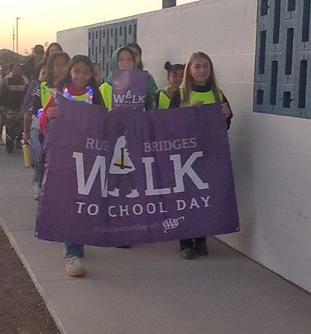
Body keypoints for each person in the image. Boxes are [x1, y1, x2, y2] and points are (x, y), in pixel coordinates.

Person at [39, 55, 106, 277]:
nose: (80, 76)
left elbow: (105, 123)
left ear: (91, 75)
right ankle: (72, 252)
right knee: (70, 202)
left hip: (87, 159)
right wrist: (48, 115)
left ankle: (77, 241)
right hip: (64, 159)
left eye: (85, 72)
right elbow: (43, 124)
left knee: (84, 201)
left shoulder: (95, 96)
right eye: (76, 71)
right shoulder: (59, 96)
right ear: (70, 71)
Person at [168, 51, 233, 259]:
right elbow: (168, 125)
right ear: (190, 70)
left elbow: (225, 127)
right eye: (197, 66)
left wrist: (226, 115)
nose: (202, 70)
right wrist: (188, 112)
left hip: (209, 155)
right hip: (185, 156)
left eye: (206, 66)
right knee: (186, 199)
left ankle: (201, 238)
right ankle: (185, 242)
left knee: (205, 198)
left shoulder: (218, 94)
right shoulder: (180, 95)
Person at [24, 51, 70, 200]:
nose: (61, 68)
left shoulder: (71, 87)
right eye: (57, 65)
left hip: (65, 132)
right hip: (43, 130)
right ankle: (38, 184)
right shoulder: (43, 87)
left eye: (64, 65)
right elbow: (36, 110)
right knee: (41, 160)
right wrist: (47, 115)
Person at [99, 46, 159, 111]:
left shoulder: (143, 82)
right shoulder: (105, 86)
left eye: (129, 59)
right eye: (121, 59)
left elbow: (151, 105)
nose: (125, 62)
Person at [0, 63, 29, 151]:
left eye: (18, 68)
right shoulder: (7, 80)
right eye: (15, 68)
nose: (16, 70)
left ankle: (18, 139)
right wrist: (4, 107)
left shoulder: (25, 80)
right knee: (10, 124)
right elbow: (3, 94)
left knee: (20, 124)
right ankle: (9, 141)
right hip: (10, 107)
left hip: (21, 107)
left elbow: (27, 93)